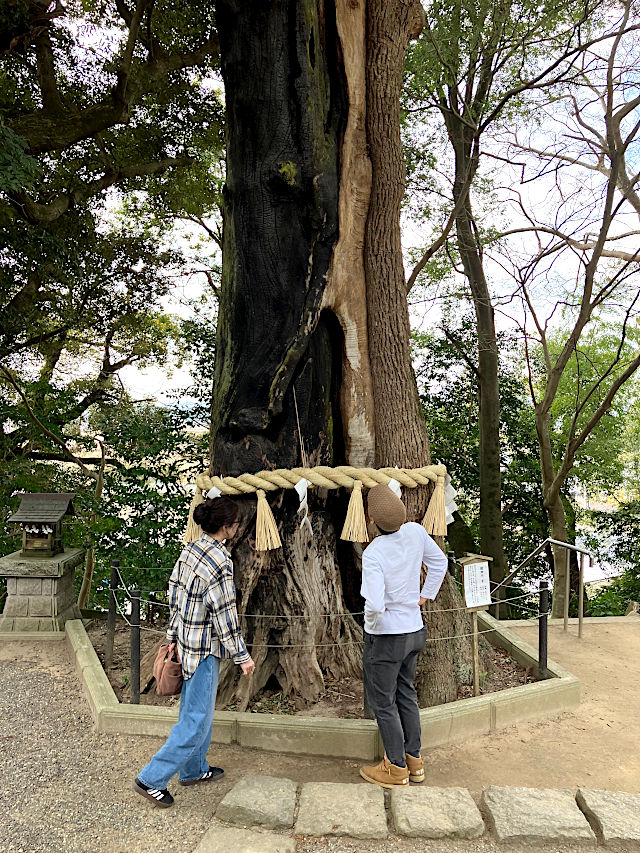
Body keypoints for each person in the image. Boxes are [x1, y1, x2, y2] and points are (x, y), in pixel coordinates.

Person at [134, 496, 255, 808]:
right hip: (203, 649)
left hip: (185, 643)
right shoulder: (220, 562)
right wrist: (242, 656)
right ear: (227, 528)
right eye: (236, 523)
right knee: (195, 718)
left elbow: (175, 594)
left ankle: (194, 769)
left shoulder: (190, 549)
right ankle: (151, 778)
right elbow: (225, 615)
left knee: (198, 712)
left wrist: (171, 634)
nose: (237, 527)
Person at [359, 484, 448, 788]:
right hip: (414, 629)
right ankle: (415, 761)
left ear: (371, 522)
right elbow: (440, 563)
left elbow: (374, 603)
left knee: (383, 702)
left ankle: (395, 768)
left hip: (386, 637)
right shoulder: (415, 532)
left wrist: (371, 625)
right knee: (406, 693)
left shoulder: (373, 553)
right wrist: (425, 595)